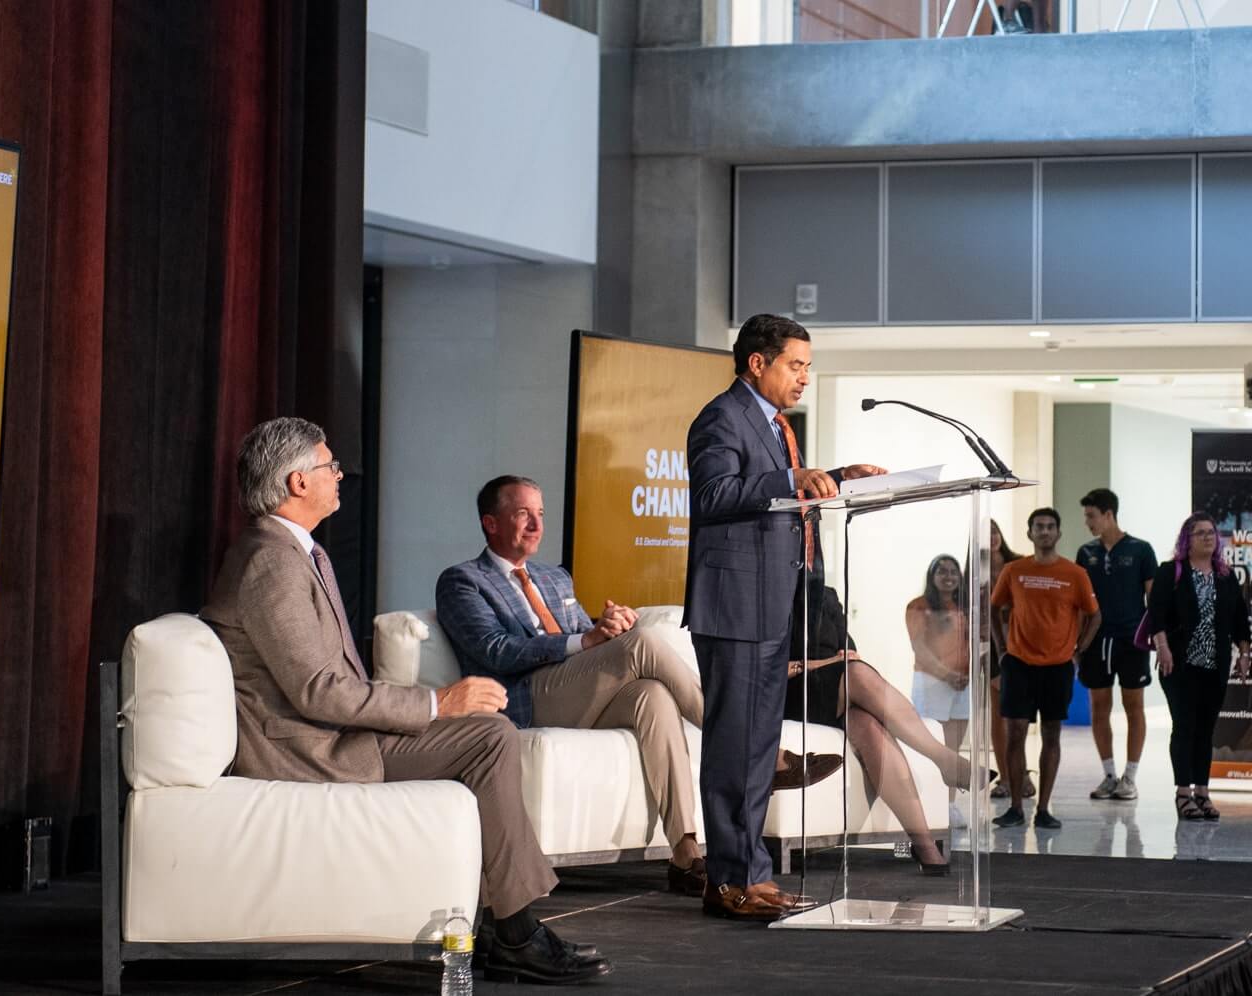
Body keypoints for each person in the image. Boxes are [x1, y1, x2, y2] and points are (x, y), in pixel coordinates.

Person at [201, 419, 609, 985]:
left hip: (333, 732)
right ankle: (515, 931)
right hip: (313, 748)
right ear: (297, 482)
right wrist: (438, 702)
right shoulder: (270, 560)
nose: (340, 474)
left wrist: (434, 706)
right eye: (328, 465)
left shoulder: (293, 551)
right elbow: (318, 691)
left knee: (490, 731)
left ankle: (502, 921)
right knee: (488, 736)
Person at [435, 476, 840, 898]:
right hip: (524, 700)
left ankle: (685, 854)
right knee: (644, 642)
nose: (536, 525)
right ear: (491, 523)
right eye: (523, 514)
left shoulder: (554, 578)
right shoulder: (463, 581)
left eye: (540, 514)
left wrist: (605, 629)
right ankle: (758, 750)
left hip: (574, 692)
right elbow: (496, 651)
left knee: (654, 696)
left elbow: (579, 637)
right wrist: (589, 640)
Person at [684, 313, 886, 921]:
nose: (804, 377)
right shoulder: (722, 417)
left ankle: (751, 875)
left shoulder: (772, 425)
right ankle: (727, 882)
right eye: (795, 364)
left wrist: (834, 478)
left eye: (806, 365)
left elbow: (775, 492)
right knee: (734, 749)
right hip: (735, 608)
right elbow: (714, 496)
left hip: (772, 606)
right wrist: (790, 477)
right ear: (757, 363)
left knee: (758, 748)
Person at [788, 588, 979, 874]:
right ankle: (943, 760)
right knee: (858, 673)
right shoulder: (766, 594)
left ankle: (923, 843)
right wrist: (828, 663)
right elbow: (768, 668)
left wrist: (838, 663)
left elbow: (850, 652)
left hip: (836, 687)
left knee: (868, 725)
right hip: (790, 694)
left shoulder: (824, 595)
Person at [990, 507, 1101, 830]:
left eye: (1051, 526)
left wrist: (1079, 648)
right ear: (1029, 533)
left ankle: (1043, 809)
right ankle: (1015, 806)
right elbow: (995, 607)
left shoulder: (1074, 573)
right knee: (1015, 735)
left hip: (1057, 666)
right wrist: (1001, 650)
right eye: (1039, 526)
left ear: (1058, 533)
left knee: (1052, 735)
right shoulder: (1014, 570)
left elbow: (1095, 615)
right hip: (1019, 664)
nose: (1045, 531)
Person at [1149, 512, 1251, 821]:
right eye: (1200, 533)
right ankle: (1183, 792)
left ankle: (1202, 791)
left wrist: (1245, 653)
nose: (1208, 537)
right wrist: (1163, 649)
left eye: (1211, 533)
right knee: (1184, 727)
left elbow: (1239, 618)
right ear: (1186, 540)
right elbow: (1157, 615)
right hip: (1178, 664)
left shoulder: (1225, 575)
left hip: (1214, 665)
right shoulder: (1171, 571)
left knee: (1206, 730)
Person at [1076, 488, 1158, 802]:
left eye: (1091, 516)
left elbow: (1153, 598)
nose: (1088, 522)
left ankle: (1130, 778)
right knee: (1099, 707)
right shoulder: (1086, 553)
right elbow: (1080, 603)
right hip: (1096, 642)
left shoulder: (1141, 550)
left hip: (1131, 641)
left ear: (1108, 514)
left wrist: (1156, 637)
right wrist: (1077, 643)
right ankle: (1109, 775)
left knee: (1133, 707)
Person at [906, 555, 971, 828]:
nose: (948, 576)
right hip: (932, 684)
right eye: (942, 571)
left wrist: (962, 676)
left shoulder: (965, 607)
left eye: (953, 571)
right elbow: (919, 647)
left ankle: (950, 804)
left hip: (961, 685)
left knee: (953, 750)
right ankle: (926, 805)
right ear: (932, 576)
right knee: (933, 748)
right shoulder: (919, 606)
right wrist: (947, 675)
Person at [988, 519, 1033, 801]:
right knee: (998, 716)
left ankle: (1022, 773)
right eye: (984, 533)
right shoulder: (972, 572)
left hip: (1018, 643)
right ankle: (1005, 776)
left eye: (994, 531)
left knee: (1017, 715)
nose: (991, 537)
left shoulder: (1018, 564)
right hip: (988, 647)